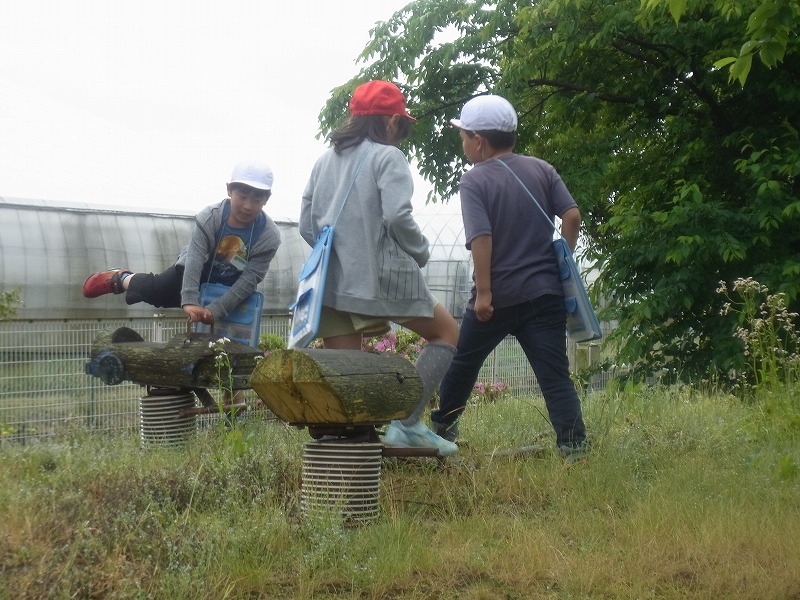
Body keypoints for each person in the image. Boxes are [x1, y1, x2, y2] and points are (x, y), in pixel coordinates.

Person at [299, 80, 460, 457]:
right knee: (446, 332)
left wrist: (340, 252)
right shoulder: (388, 158)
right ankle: (406, 424)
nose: (401, 133)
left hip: (331, 284)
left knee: (345, 375)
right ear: (390, 121)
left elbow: (308, 223)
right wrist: (419, 252)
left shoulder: (325, 160)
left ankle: (346, 457)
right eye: (401, 125)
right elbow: (398, 216)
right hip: (380, 278)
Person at [430, 94, 588, 458]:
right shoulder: (542, 169)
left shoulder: (474, 181)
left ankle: (442, 434)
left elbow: (481, 238)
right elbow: (573, 216)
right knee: (554, 377)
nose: (464, 143)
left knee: (464, 365)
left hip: (496, 298)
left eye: (464, 137)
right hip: (544, 294)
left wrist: (484, 294)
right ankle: (574, 448)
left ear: (479, 141)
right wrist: (563, 257)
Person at [82, 160, 281, 328]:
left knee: (228, 330)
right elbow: (195, 258)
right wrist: (189, 300)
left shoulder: (268, 236)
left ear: (267, 199)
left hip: (230, 286)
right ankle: (120, 278)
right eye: (243, 196)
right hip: (196, 272)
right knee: (158, 291)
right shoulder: (210, 217)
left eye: (257, 199)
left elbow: (249, 279)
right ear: (229, 190)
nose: (248, 205)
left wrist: (216, 310)